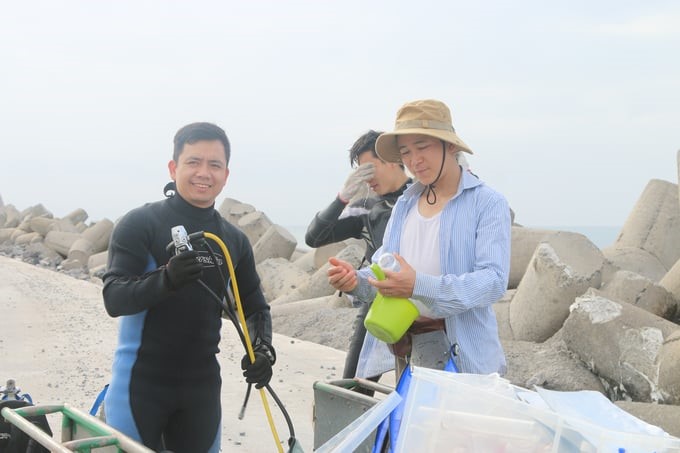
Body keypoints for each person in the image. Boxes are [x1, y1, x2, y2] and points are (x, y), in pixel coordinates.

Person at [102, 122, 275, 453]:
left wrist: (263, 349)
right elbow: (114, 297)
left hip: (201, 390)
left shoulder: (233, 241)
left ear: (226, 174)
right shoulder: (141, 224)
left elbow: (254, 307)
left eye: (214, 164)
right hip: (140, 385)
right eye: (193, 162)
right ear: (173, 167)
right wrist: (166, 279)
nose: (203, 173)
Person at [327, 99, 511, 378]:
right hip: (406, 350)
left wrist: (418, 285)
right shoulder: (405, 205)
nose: (414, 161)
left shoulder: (487, 203)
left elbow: (494, 281)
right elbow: (384, 271)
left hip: (465, 360)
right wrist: (356, 281)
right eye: (406, 152)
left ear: (450, 145)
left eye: (423, 147)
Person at [305, 130, 411, 385]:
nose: (368, 178)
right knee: (354, 387)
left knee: (415, 392)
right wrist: (343, 196)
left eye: (370, 168)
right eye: (361, 172)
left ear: (394, 159)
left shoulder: (423, 200)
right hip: (376, 304)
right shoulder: (367, 208)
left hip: (419, 305)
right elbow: (314, 238)